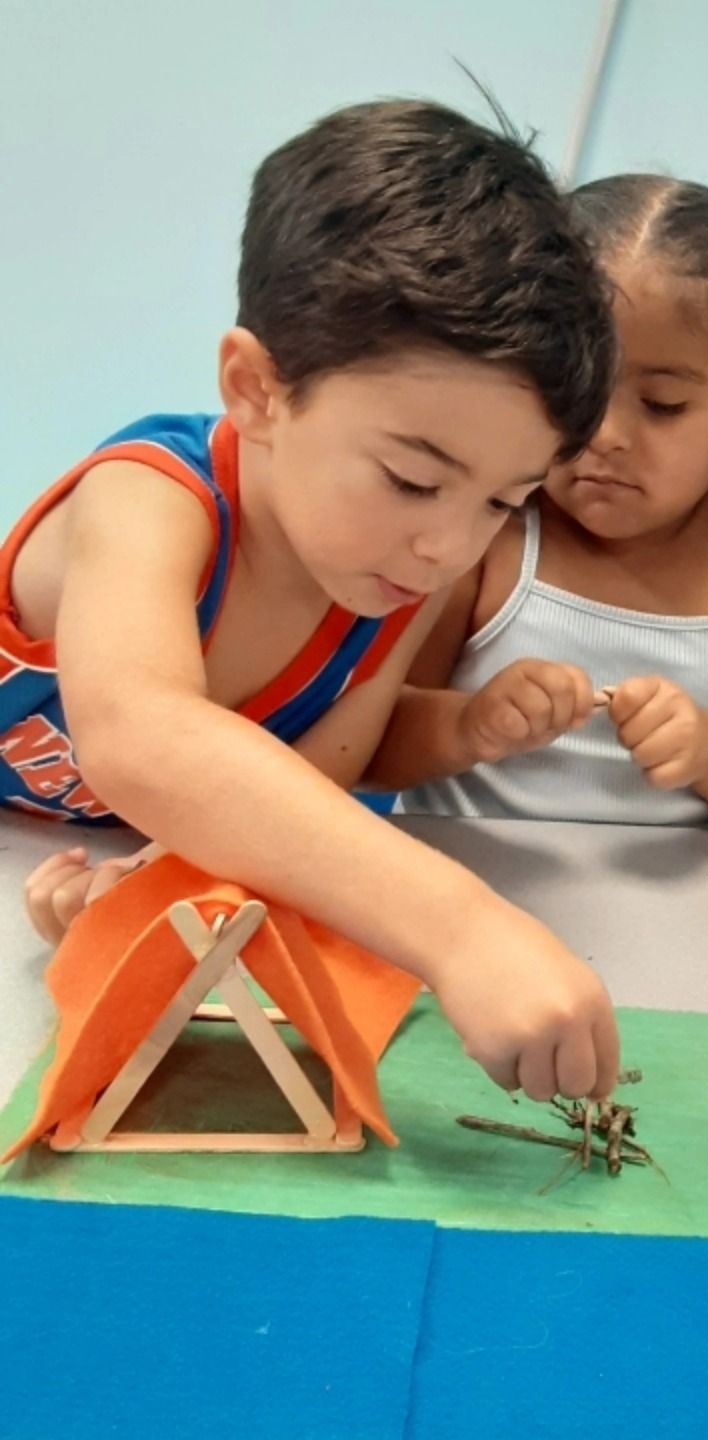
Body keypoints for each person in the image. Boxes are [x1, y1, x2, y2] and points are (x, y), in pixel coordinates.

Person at [12, 99, 622, 1099]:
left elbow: (316, 779)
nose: (448, 544)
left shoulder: (398, 568)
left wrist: (166, 873)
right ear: (256, 389)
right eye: (415, 479)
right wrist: (462, 926)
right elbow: (141, 735)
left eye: (503, 502)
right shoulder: (146, 499)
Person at [376, 176, 708, 835]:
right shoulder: (489, 530)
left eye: (663, 405)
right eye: (579, 389)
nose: (606, 437)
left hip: (685, 915)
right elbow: (368, 739)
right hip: (463, 904)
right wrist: (470, 724)